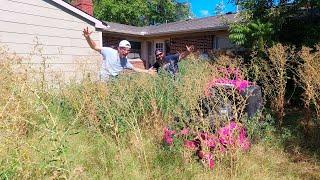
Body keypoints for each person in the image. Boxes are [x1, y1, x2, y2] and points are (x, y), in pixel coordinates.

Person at [82, 27, 155, 81]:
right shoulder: (109, 51)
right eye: (124, 50)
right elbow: (94, 46)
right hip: (103, 79)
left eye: (128, 50)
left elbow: (134, 68)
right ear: (119, 48)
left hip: (114, 81)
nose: (126, 52)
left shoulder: (125, 61)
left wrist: (147, 71)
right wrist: (88, 37)